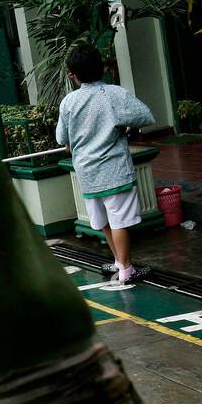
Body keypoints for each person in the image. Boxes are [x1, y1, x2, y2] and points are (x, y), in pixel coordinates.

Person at [56, 45, 155, 283]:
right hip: (115, 170)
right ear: (102, 67)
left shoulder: (69, 102)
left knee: (104, 222)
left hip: (87, 173)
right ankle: (126, 270)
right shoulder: (114, 94)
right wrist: (124, 126)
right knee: (120, 219)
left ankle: (119, 263)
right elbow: (146, 116)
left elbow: (62, 139)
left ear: (73, 74)